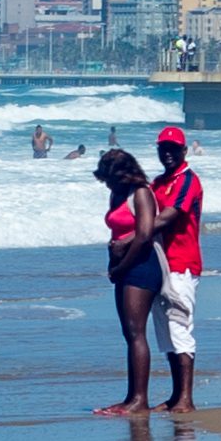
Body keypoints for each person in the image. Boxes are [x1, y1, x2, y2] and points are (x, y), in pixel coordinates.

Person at [92, 149, 162, 415]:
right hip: (123, 268)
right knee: (128, 334)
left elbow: (144, 235)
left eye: (109, 179)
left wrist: (122, 265)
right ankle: (131, 396)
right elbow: (117, 232)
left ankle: (139, 399)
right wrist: (115, 264)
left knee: (136, 332)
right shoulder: (117, 193)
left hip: (143, 267)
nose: (107, 184)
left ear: (122, 174)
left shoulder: (141, 193)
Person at [149, 127, 203, 412]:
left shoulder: (187, 181)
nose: (167, 153)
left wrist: (133, 237)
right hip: (160, 266)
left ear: (183, 151)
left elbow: (168, 217)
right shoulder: (157, 183)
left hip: (183, 264)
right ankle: (175, 396)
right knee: (165, 333)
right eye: (163, 148)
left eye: (173, 148)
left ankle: (186, 399)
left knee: (180, 326)